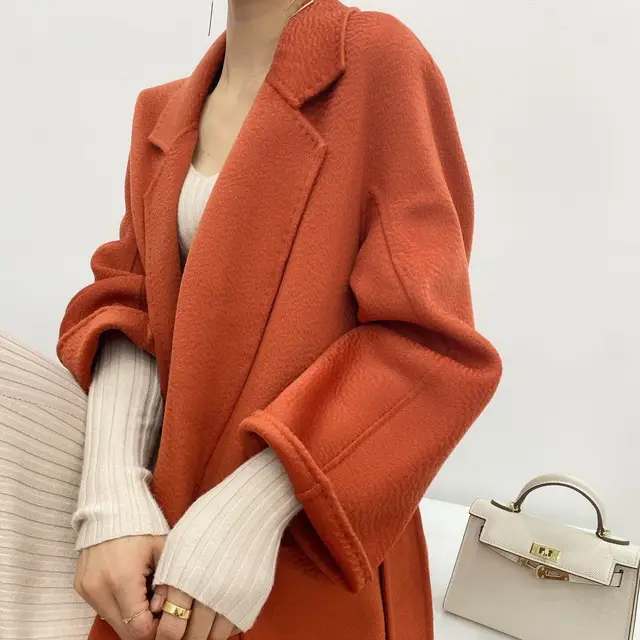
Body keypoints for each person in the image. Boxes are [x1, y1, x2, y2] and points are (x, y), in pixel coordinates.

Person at [4, 0, 504, 639]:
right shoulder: (162, 112)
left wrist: (256, 506)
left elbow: (426, 342)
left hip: (306, 535)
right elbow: (134, 299)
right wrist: (111, 491)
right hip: (158, 532)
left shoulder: (377, 61)